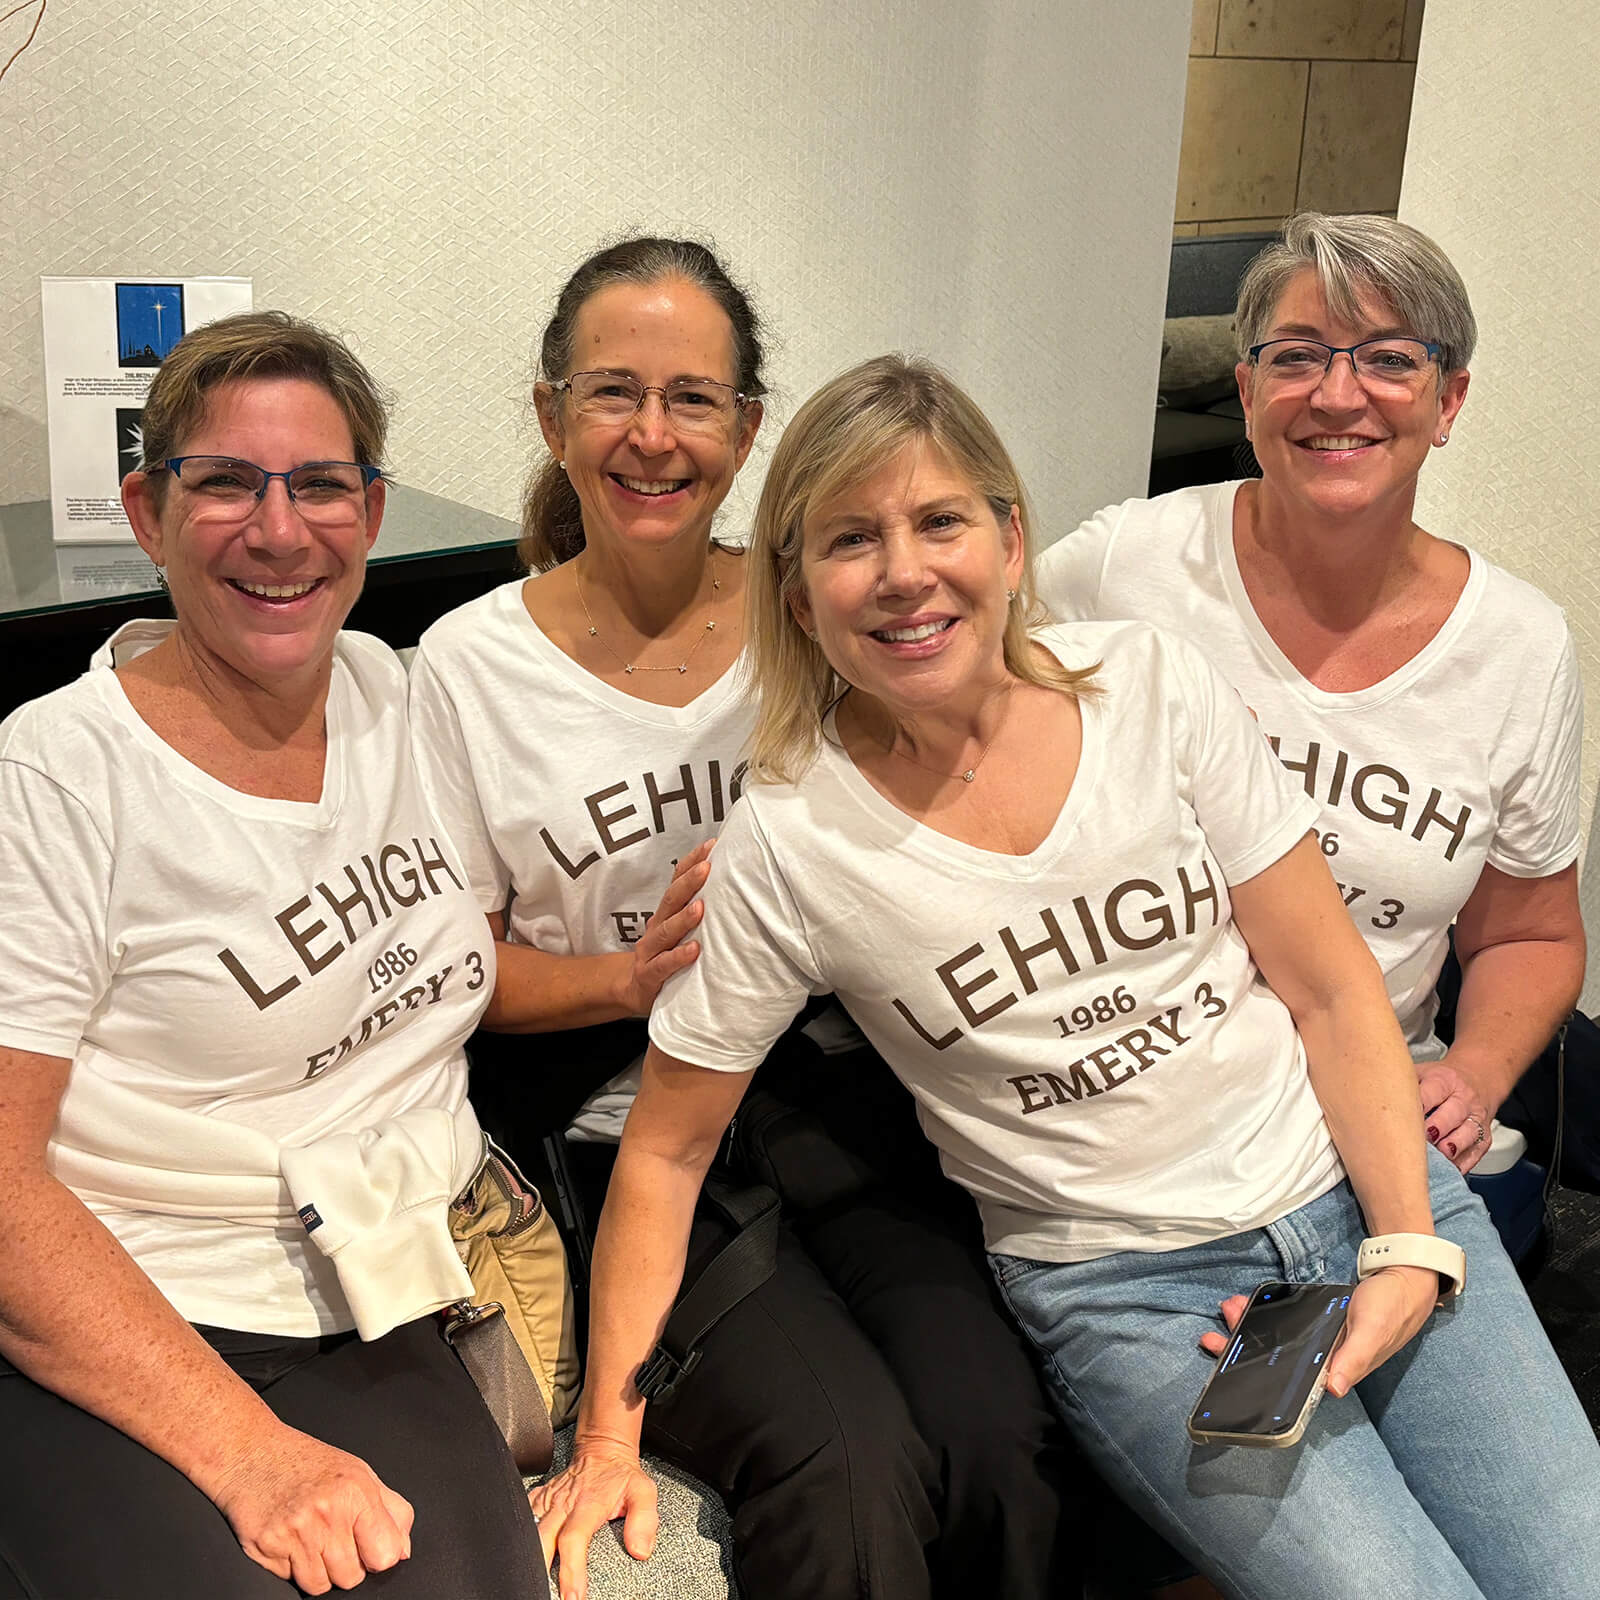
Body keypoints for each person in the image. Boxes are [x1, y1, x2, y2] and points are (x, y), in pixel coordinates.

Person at [530, 353, 1600, 1600]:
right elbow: (664, 1150)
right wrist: (607, 1434)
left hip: (1358, 1188)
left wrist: (1408, 1240)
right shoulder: (791, 837)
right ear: (799, 588)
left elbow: (1328, 986)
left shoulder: (1152, 686)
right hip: (1133, 1294)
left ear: (1011, 536)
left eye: (940, 521)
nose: (904, 572)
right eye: (849, 539)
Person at [409, 239, 1082, 1600]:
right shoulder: (467, 665)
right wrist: (623, 979)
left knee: (999, 1431)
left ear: (749, 432)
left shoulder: (821, 610)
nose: (651, 436)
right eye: (612, 393)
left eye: (694, 398)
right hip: (630, 1132)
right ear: (552, 416)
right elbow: (449, 972)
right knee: (846, 1464)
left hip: (855, 1103)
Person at [0, 312, 547, 1599]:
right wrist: (249, 1455)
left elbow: (465, 961)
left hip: (362, 1283)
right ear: (147, 508)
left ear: (371, 505)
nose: (280, 528)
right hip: (120, 1292)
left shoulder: (392, 698)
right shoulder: (57, 774)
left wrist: (640, 980)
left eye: (318, 484)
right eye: (228, 482)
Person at [1037, 211, 1585, 1176]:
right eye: (1296, 357)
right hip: (1130, 1117)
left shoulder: (1521, 649)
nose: (1339, 395)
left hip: (1367, 1116)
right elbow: (935, 683)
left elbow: (1531, 932)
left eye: (1388, 357)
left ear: (1449, 401)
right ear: (1247, 393)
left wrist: (1475, 1074)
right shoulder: (1127, 566)